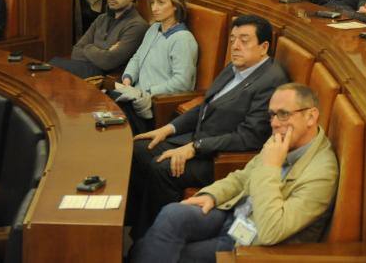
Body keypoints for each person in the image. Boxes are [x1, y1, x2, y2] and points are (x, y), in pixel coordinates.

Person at [131, 83, 337, 263]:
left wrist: (271, 167)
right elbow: (242, 177)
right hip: (233, 214)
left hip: (252, 244)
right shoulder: (282, 139)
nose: (274, 123)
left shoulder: (321, 173)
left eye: (283, 114)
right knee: (171, 214)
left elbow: (271, 230)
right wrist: (212, 194)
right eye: (272, 115)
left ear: (311, 116)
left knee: (172, 254)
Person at [128, 15, 289, 239]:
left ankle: (153, 236)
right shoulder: (234, 66)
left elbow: (248, 137)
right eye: (233, 39)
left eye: (244, 40)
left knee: (162, 169)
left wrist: (195, 147)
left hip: (222, 156)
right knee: (139, 149)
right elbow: (205, 106)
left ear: (264, 47)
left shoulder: (271, 81)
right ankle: (134, 223)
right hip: (201, 139)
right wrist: (168, 129)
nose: (235, 46)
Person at [112, 0, 198, 134]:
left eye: (160, 3)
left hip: (155, 107)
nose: (154, 8)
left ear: (175, 5)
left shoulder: (183, 39)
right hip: (134, 96)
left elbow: (182, 83)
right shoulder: (153, 28)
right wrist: (127, 78)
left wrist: (146, 91)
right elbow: (137, 57)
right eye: (152, 2)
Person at [49, 0, 148, 79]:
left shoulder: (137, 26)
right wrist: (102, 51)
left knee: (53, 67)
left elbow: (108, 62)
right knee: (51, 64)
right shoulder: (102, 18)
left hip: (104, 78)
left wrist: (88, 48)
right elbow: (76, 51)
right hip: (86, 68)